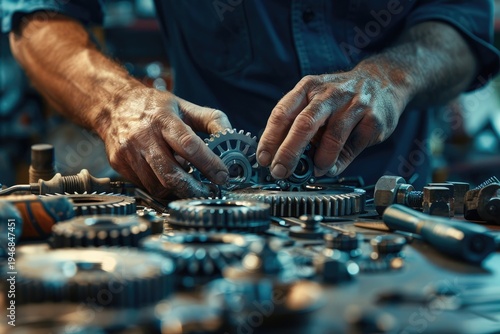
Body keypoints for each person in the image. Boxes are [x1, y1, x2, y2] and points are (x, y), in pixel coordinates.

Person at [3, 0, 499, 199]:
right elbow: (37, 17)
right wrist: (116, 102)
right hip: (204, 210)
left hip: (391, 209)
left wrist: (390, 77)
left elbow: (462, 30)